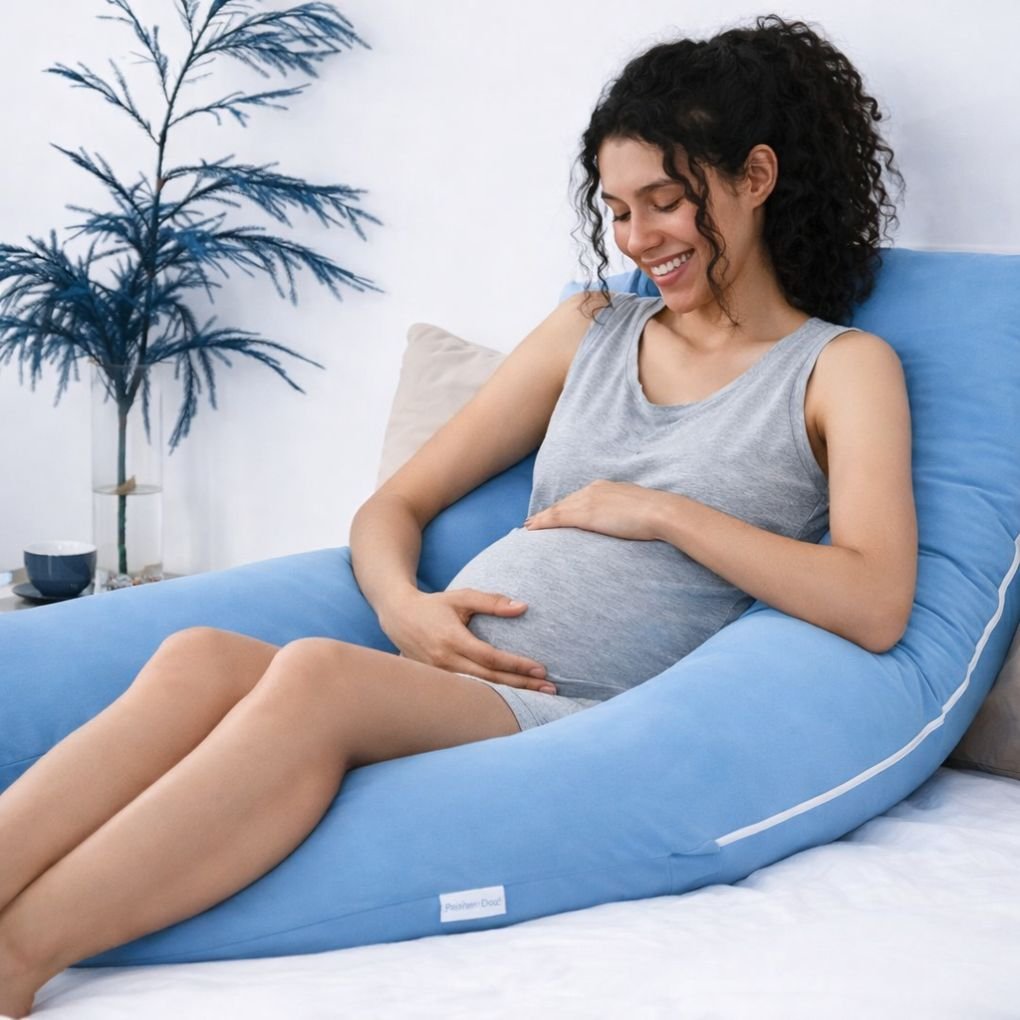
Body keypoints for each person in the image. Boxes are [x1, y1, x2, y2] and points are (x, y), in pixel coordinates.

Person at [0, 14, 917, 1015]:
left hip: (569, 701)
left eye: (666, 202)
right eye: (616, 211)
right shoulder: (593, 331)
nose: (638, 240)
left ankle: (19, 961)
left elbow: (874, 599)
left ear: (754, 178)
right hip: (439, 662)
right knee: (196, 656)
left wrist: (661, 513)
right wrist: (404, 607)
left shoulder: (838, 369)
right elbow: (395, 504)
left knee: (311, 673)